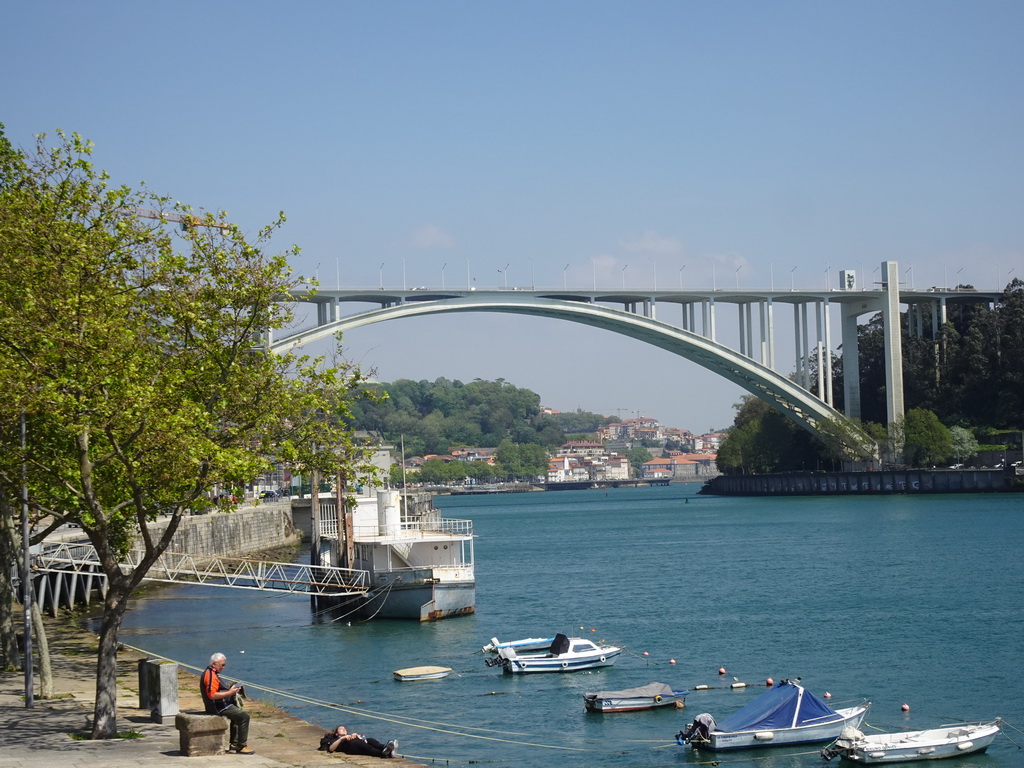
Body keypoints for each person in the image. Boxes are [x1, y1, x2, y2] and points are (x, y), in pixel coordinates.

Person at [200, 652, 253, 755]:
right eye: (222, 665)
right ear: (214, 664)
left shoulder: (211, 672)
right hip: (217, 706)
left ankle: (234, 744)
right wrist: (230, 692)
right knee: (244, 717)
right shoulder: (210, 675)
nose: (223, 667)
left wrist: (232, 689)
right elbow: (212, 695)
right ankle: (242, 745)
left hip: (220, 704)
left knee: (236, 715)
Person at [318, 725, 398, 758]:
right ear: (336, 733)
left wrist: (357, 736)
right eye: (341, 729)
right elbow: (331, 749)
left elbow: (362, 740)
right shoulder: (335, 739)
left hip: (356, 743)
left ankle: (385, 747)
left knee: (370, 740)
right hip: (350, 746)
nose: (344, 729)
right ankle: (384, 753)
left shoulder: (349, 736)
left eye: (345, 729)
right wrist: (342, 738)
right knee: (367, 748)